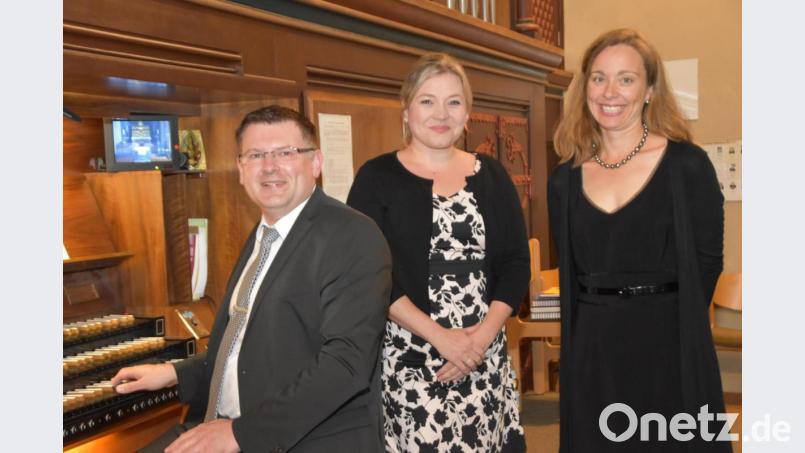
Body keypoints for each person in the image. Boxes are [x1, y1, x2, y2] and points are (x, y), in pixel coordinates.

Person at [112, 105, 392, 453]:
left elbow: (345, 364)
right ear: (241, 170)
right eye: (256, 155)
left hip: (298, 440)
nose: (270, 166)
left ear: (315, 163)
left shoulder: (352, 235)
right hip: (230, 425)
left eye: (285, 153)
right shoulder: (264, 234)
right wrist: (175, 373)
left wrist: (238, 434)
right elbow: (248, 347)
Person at [548, 28, 731, 452]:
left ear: (649, 90)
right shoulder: (564, 180)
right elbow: (571, 276)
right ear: (585, 88)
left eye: (626, 79)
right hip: (593, 348)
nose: (610, 92)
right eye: (598, 78)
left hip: (667, 343)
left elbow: (707, 263)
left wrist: (674, 329)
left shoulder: (687, 165)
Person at [347, 53, 529, 452]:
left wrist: (479, 341)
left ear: (467, 113)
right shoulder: (375, 178)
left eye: (454, 102)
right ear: (406, 110)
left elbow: (516, 264)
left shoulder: (493, 175)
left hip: (483, 354)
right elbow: (368, 276)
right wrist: (441, 339)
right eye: (427, 101)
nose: (441, 114)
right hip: (413, 357)